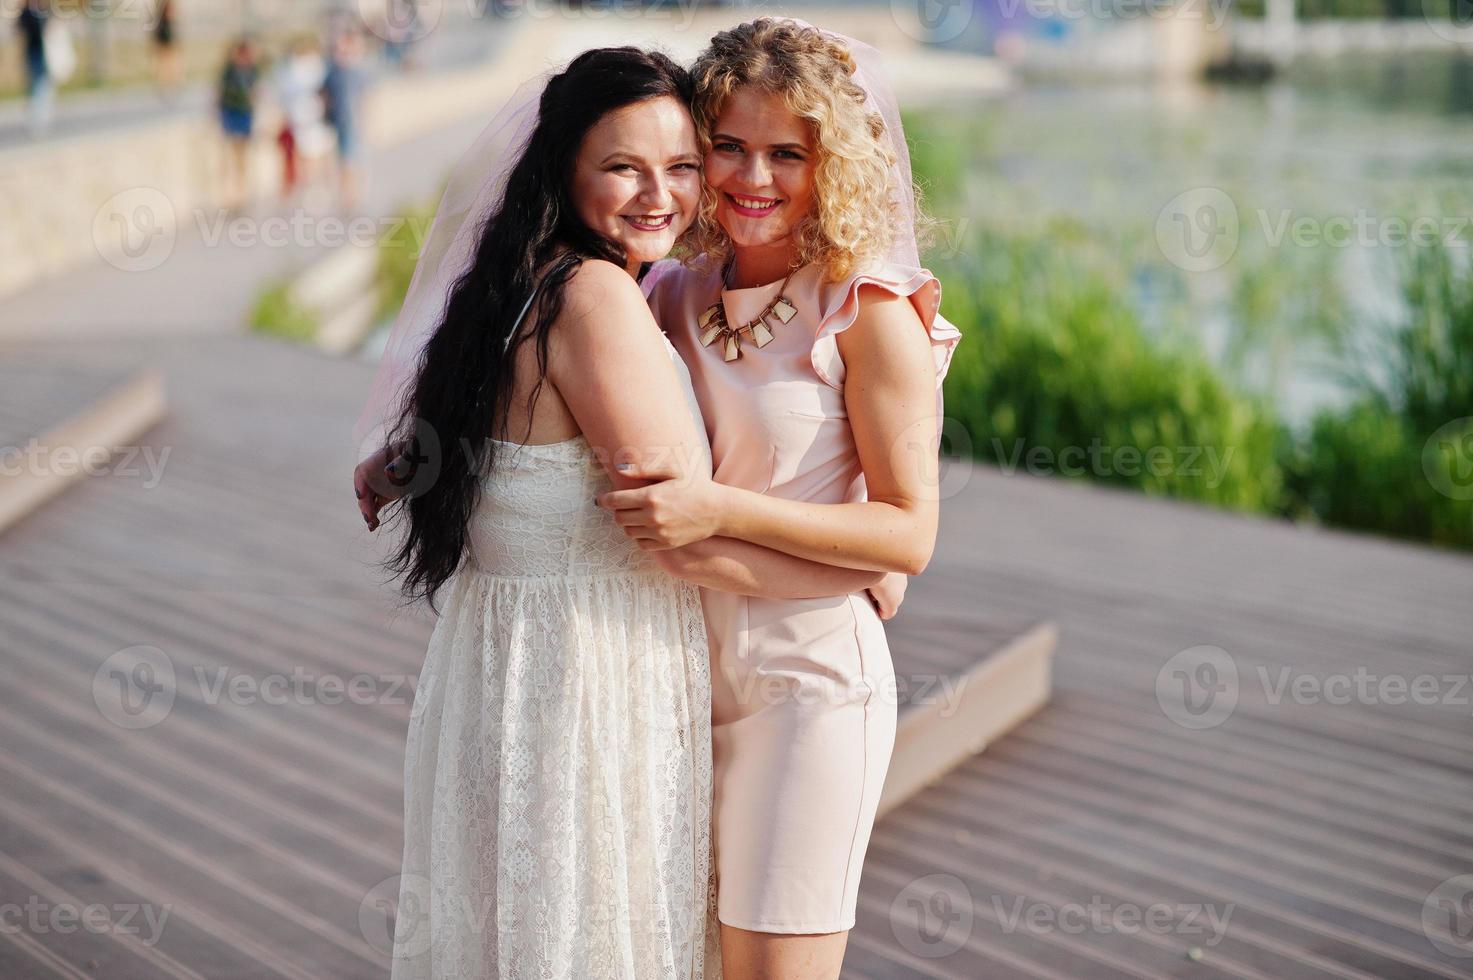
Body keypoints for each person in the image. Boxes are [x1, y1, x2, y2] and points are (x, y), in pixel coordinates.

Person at [350, 46, 885, 978]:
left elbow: (501, 423)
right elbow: (684, 524)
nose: (661, 195)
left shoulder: (522, 280)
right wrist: (857, 566)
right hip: (588, 678)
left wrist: (405, 461)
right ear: (565, 166)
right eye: (623, 167)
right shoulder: (598, 296)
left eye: (681, 166)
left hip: (504, 669)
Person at [602, 19, 961, 979]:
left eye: (785, 153)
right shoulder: (667, 292)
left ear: (828, 161)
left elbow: (907, 532)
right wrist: (409, 450)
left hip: (808, 690)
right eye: (728, 145)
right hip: (667, 675)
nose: (751, 176)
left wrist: (716, 511)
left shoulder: (865, 308)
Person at [273, 35, 331, 201]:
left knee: (314, 155)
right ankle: (310, 188)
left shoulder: (313, 67)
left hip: (313, 118)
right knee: (306, 156)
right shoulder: (296, 69)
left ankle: (314, 187)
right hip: (302, 119)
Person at [321, 28, 369, 211]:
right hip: (339, 122)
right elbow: (324, 94)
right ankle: (347, 197)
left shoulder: (356, 71)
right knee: (344, 161)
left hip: (352, 122)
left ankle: (352, 197)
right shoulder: (333, 71)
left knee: (351, 161)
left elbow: (364, 99)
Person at [217, 37, 259, 211]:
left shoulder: (252, 70)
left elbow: (255, 94)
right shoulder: (229, 71)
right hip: (231, 114)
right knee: (229, 157)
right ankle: (230, 197)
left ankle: (241, 196)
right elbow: (219, 94)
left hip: (244, 115)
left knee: (242, 158)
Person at [17, 0, 52, 138]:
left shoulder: (43, 12)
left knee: (41, 87)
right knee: (38, 88)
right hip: (35, 53)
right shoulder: (29, 13)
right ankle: (38, 119)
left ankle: (40, 118)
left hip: (43, 54)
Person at [152, 0, 180, 100]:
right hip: (164, 46)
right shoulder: (163, 22)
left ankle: (170, 87)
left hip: (168, 46)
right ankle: (165, 88)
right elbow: (159, 36)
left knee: (170, 68)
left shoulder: (168, 22)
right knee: (165, 69)